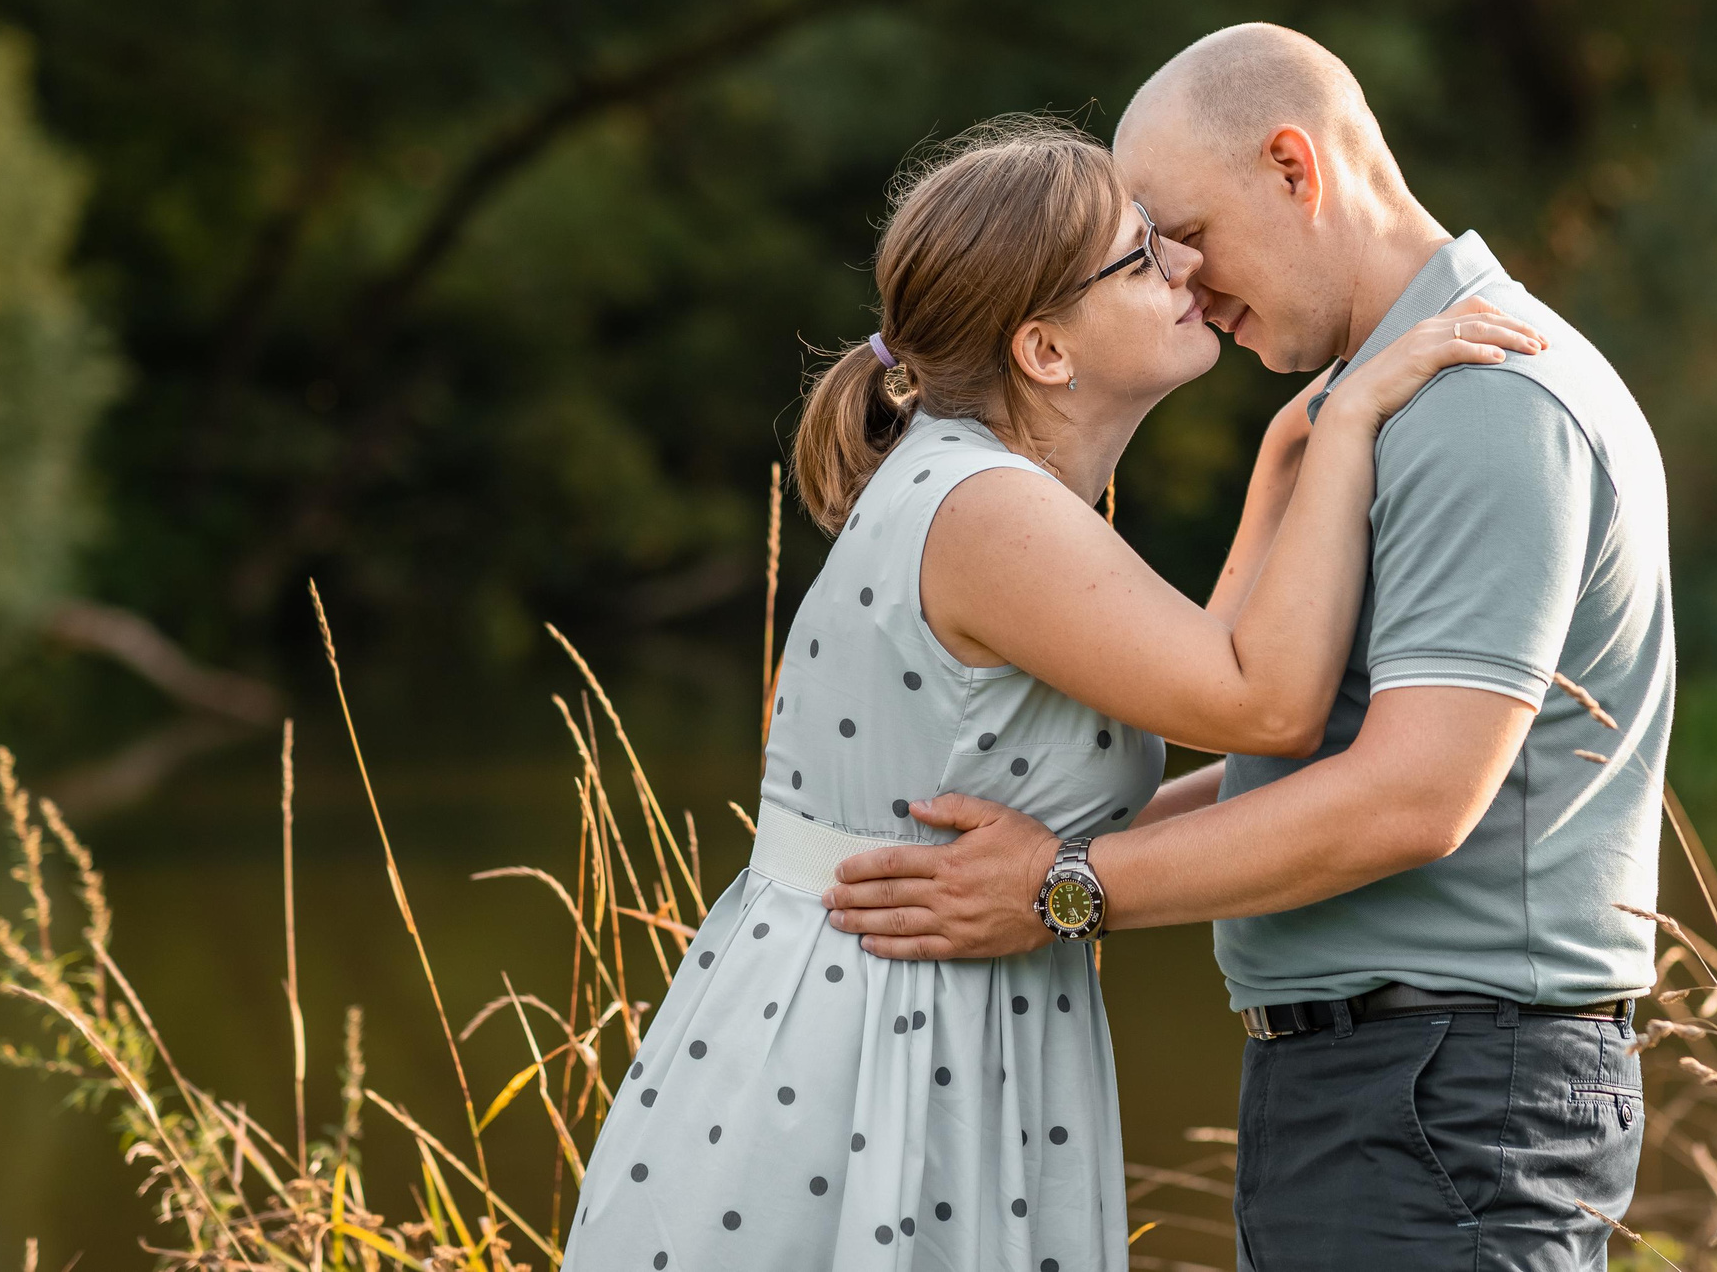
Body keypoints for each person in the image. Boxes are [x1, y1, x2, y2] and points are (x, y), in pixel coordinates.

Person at [563, 117, 1541, 1271]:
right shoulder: (986, 512)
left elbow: (1210, 662)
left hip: (930, 1006)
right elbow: (1262, 702)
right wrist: (1355, 423)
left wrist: (1289, 456)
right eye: (1141, 257)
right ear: (1043, 352)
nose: (1184, 264)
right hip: (869, 1041)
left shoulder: (1002, 496)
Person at [823, 26, 1677, 1270]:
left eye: (1186, 232)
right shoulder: (1383, 400)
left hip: (1443, 1092)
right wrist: (1021, 864)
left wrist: (1065, 891)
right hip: (1391, 1083)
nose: (1179, 279)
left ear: (1295, 167)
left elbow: (1411, 797)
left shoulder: (1483, 398)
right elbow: (1307, 757)